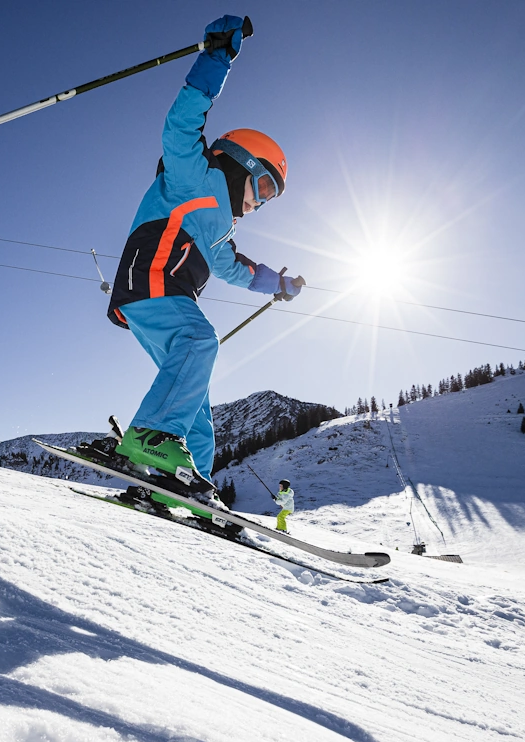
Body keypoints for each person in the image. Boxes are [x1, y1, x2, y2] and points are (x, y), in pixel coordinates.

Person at [107, 14, 300, 501]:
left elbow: (234, 269)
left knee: (199, 408)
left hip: (161, 295)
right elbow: (181, 123)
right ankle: (149, 439)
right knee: (200, 341)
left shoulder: (219, 227)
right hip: (148, 279)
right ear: (241, 163)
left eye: (268, 200)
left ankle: (182, 486)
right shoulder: (194, 174)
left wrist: (276, 284)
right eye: (262, 188)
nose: (258, 203)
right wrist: (218, 58)